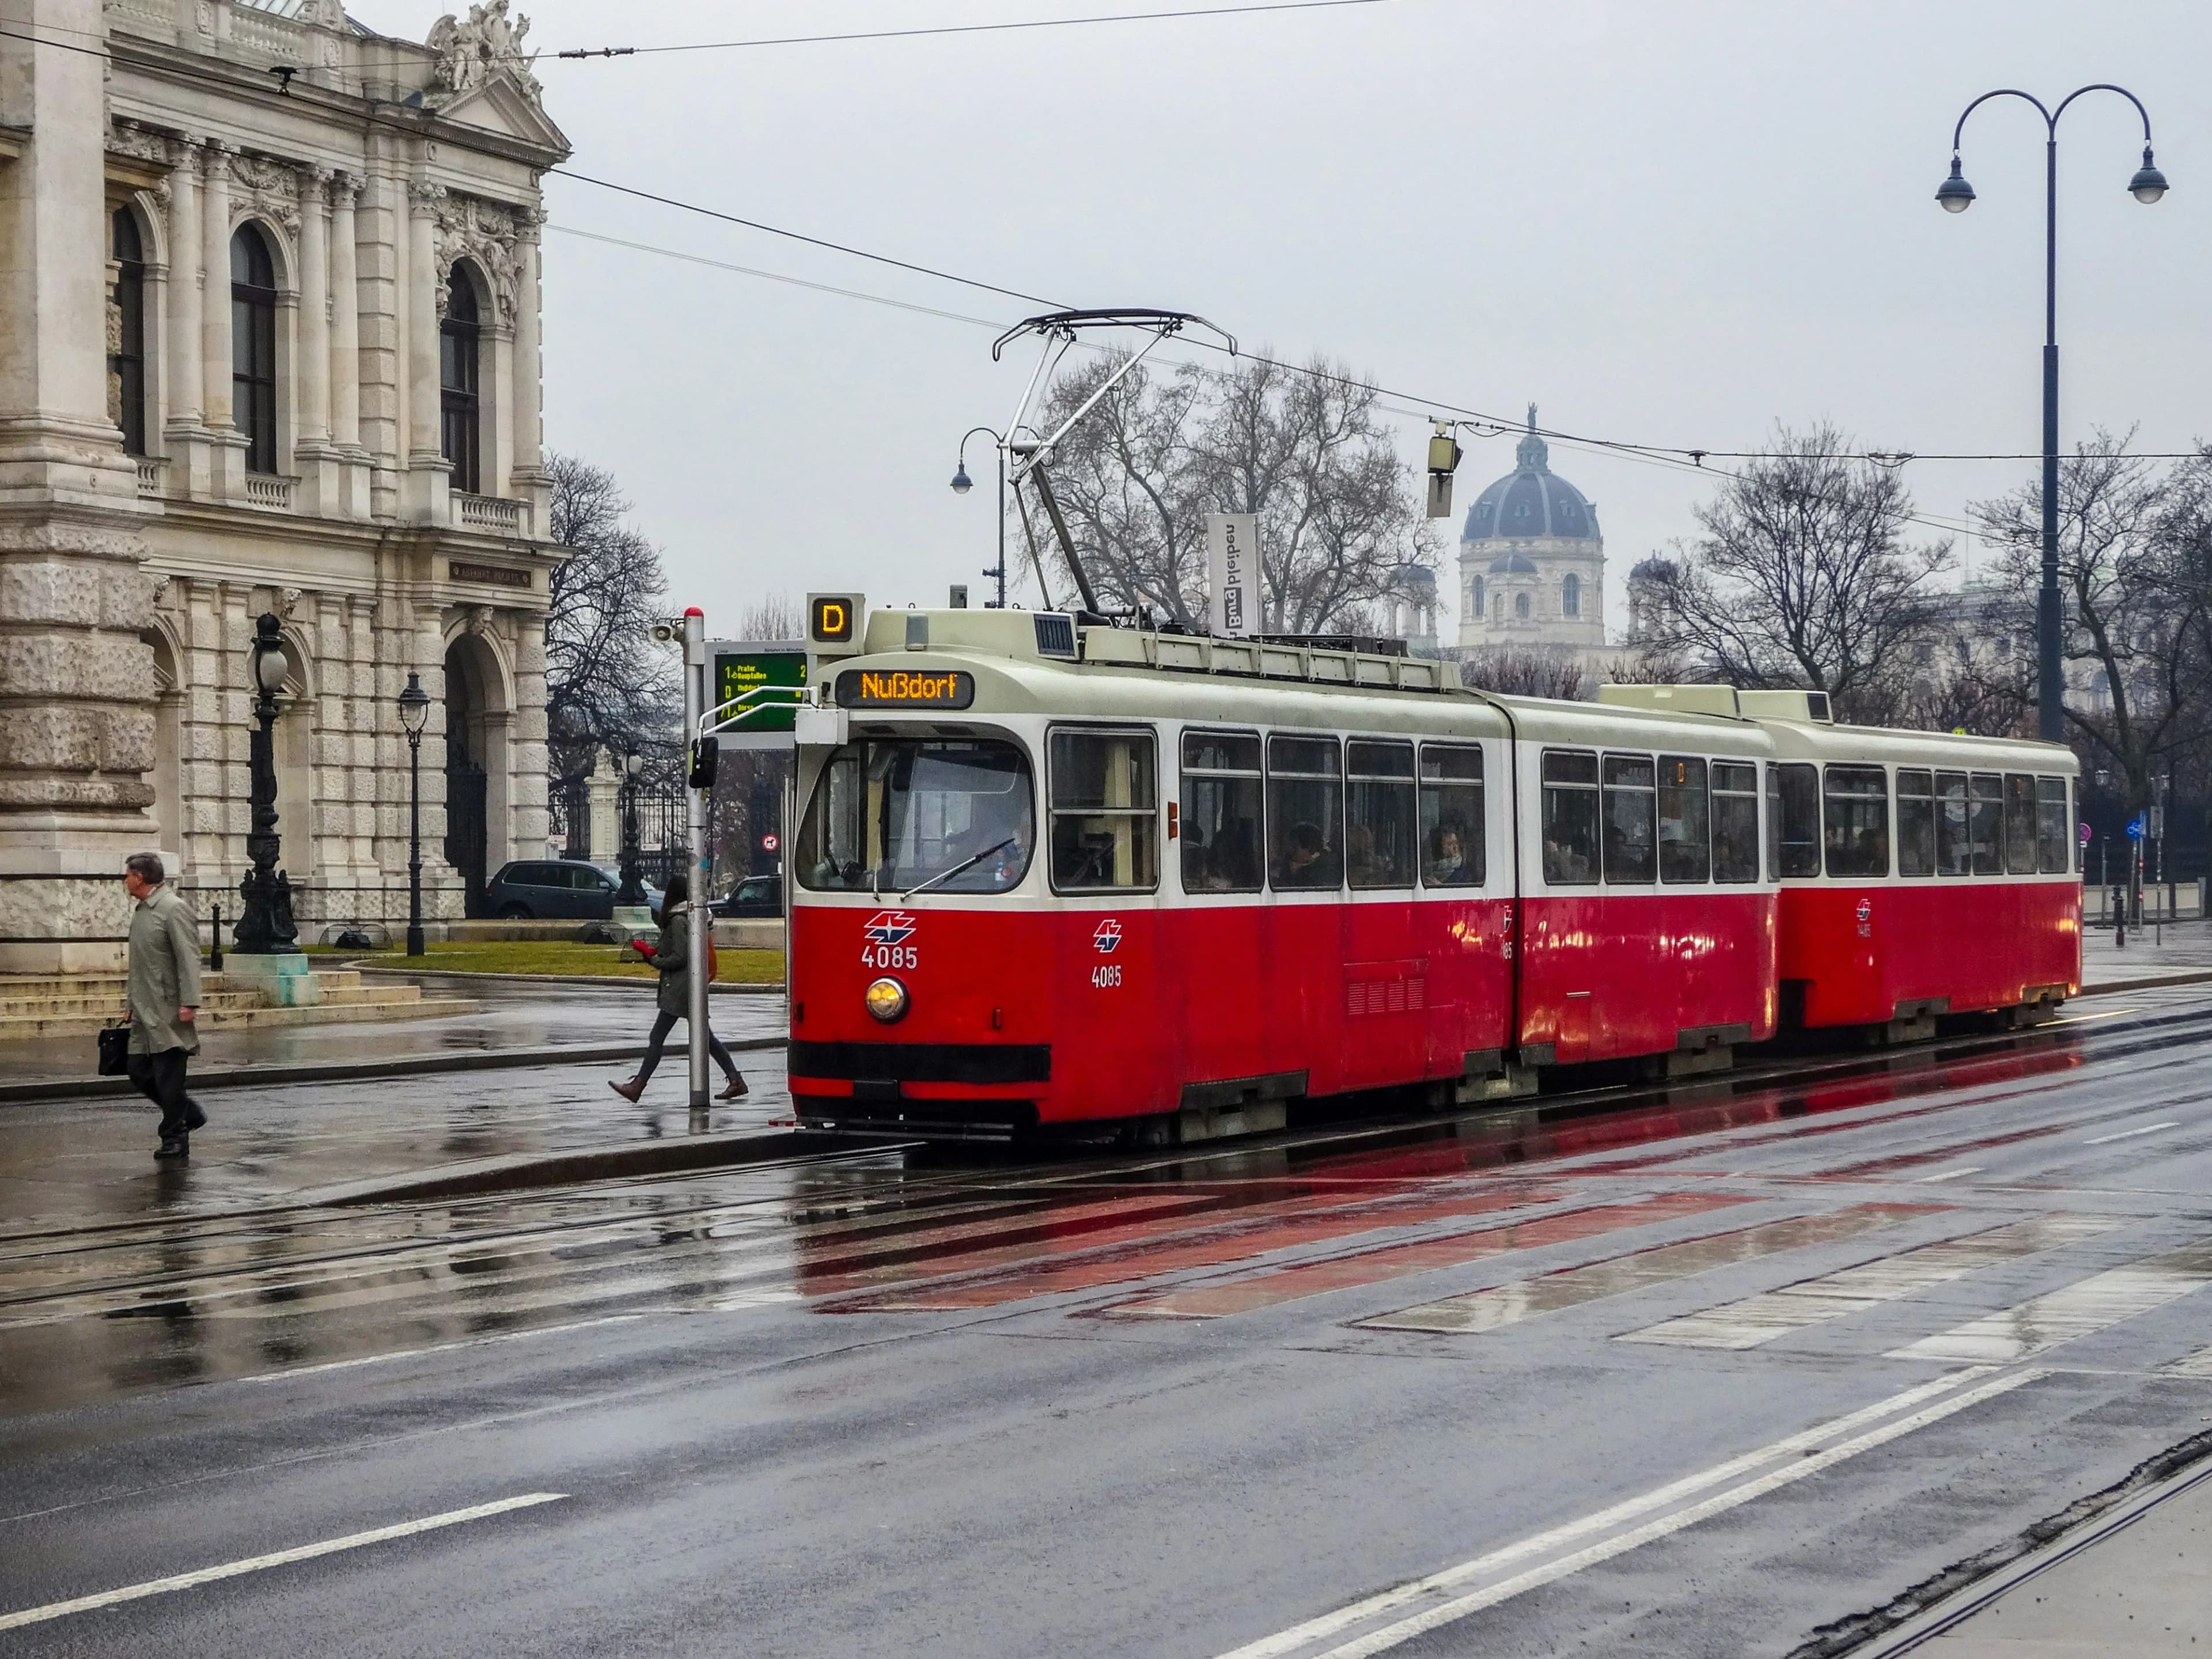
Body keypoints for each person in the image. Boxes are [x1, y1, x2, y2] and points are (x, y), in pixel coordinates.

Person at [610, 870, 747, 1102]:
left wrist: (653, 959)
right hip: (690, 985)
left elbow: (680, 957)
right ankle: (735, 1080)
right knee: (706, 1037)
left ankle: (638, 1086)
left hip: (681, 988)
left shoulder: (677, 920)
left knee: (658, 1036)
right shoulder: (690, 917)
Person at [123, 852, 206, 1159]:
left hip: (168, 1008)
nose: (125, 880)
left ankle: (175, 1137)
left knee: (168, 1077)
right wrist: (130, 1002)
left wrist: (190, 1002)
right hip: (143, 1010)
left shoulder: (173, 909)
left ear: (140, 877)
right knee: (137, 1071)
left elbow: (189, 958)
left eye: (128, 875)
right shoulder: (143, 910)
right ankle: (188, 1113)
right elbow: (140, 964)